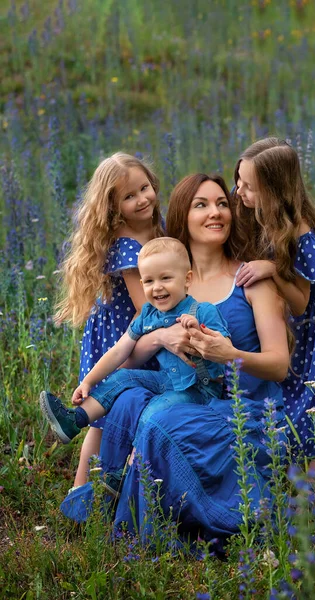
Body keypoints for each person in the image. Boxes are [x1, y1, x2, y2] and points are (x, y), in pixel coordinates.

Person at [60, 173, 292, 542]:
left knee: (158, 418)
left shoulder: (250, 279)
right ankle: (109, 501)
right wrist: (160, 338)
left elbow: (279, 366)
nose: (216, 212)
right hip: (185, 393)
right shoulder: (166, 285)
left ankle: (145, 535)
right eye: (201, 205)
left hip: (242, 406)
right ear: (183, 215)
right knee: (128, 398)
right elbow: (130, 357)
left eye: (221, 203)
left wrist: (230, 354)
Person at [40, 237, 229, 445]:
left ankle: (138, 467)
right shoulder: (148, 314)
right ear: (142, 284)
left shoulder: (203, 311)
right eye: (149, 281)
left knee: (153, 412)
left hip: (200, 389)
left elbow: (226, 351)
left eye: (165, 278)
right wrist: (88, 382)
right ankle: (75, 420)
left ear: (187, 279)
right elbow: (119, 351)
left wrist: (197, 333)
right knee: (123, 377)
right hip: (168, 381)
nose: (157, 287)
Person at [233, 137, 315, 456]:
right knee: (296, 387)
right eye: (238, 181)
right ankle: (295, 467)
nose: (238, 191)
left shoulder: (301, 232)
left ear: (273, 192)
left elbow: (301, 303)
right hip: (305, 319)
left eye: (248, 186)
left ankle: (311, 480)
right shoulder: (270, 216)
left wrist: (271, 269)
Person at [54, 152, 164, 489]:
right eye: (129, 197)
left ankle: (101, 489)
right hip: (122, 339)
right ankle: (82, 493)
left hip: (126, 334)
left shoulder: (153, 231)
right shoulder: (129, 247)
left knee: (112, 419)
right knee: (104, 423)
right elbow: (147, 307)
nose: (142, 199)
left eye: (144, 188)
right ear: (113, 207)